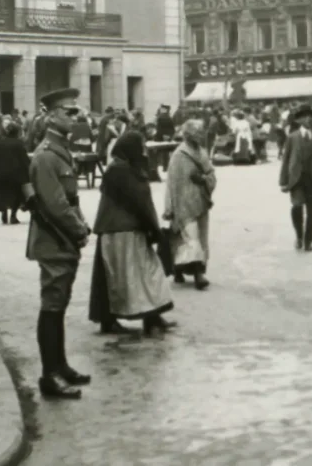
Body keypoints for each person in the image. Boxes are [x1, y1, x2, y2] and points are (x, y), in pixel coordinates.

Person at [25, 88, 92, 400]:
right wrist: (78, 229)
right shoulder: (47, 156)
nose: (74, 116)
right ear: (51, 115)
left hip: (63, 239)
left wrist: (81, 223)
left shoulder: (59, 150)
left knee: (59, 303)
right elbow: (56, 206)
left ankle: (60, 365)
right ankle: (49, 375)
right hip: (54, 239)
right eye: (69, 111)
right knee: (52, 306)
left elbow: (71, 199)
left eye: (76, 111)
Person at [89, 130, 176, 336]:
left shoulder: (118, 168)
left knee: (116, 278)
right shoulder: (125, 171)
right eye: (141, 147)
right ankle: (151, 320)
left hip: (114, 231)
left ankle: (117, 320)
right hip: (126, 232)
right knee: (146, 275)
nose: (144, 152)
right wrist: (155, 231)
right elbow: (142, 204)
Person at [164, 118, 217, 289]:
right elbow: (171, 183)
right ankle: (197, 274)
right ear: (187, 135)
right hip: (183, 203)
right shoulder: (179, 155)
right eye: (197, 133)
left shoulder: (202, 152)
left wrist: (203, 179)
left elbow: (211, 174)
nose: (200, 136)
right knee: (190, 238)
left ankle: (180, 269)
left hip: (201, 201)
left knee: (199, 238)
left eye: (201, 133)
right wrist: (169, 207)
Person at [279, 104, 312, 252]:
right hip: (296, 178)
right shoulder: (292, 137)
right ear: (299, 120)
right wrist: (283, 181)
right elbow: (285, 159)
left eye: (311, 116)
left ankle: (308, 240)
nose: (309, 119)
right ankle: (299, 236)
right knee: (296, 207)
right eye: (305, 116)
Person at [0, 123, 28, 225]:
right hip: (16, 175)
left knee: (3, 195)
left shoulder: (1, 143)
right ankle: (13, 216)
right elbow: (24, 160)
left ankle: (4, 214)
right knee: (17, 195)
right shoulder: (19, 144)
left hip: (1, 174)